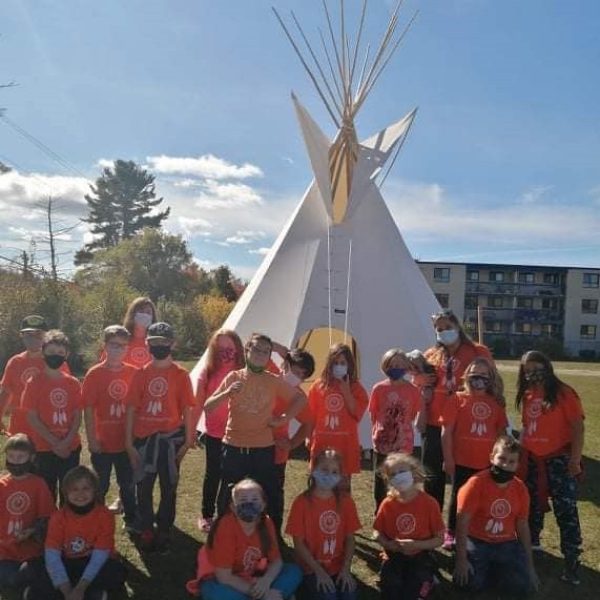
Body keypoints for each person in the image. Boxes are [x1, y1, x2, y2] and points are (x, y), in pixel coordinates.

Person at [204, 333, 306, 518]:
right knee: (229, 494)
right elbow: (208, 406)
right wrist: (226, 393)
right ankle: (225, 535)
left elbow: (300, 399)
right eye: (257, 349)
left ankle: (266, 539)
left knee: (264, 495)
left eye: (266, 352)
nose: (261, 354)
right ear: (247, 350)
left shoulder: (273, 380)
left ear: (269, 357)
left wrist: (282, 419)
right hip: (234, 446)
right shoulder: (234, 377)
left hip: (262, 449)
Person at [125, 322, 196, 553]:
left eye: (164, 343)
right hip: (144, 441)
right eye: (154, 342)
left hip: (170, 440)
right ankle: (146, 528)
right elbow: (132, 409)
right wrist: (128, 443)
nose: (159, 346)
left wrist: (187, 440)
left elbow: (187, 409)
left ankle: (164, 528)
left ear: (172, 344)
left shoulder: (180, 374)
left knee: (169, 487)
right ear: (147, 344)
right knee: (144, 487)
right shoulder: (141, 374)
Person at [516, 350, 584, 585]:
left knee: (565, 509)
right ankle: (533, 545)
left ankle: (572, 555)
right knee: (531, 504)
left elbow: (577, 428)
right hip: (533, 459)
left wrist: (575, 460)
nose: (533, 374)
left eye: (537, 368)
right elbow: (527, 427)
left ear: (548, 366)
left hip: (558, 460)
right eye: (528, 371)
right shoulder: (527, 395)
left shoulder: (564, 393)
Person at [419, 308, 493, 509]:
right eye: (439, 329)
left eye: (448, 327)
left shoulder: (478, 352)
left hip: (464, 423)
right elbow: (418, 384)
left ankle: (456, 525)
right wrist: (420, 379)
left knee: (461, 477)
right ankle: (433, 522)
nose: (444, 332)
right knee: (433, 475)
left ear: (457, 326)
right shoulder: (431, 355)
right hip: (435, 422)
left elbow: (491, 382)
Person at [24, 465, 126, 600]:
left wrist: (80, 588)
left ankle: (78, 591)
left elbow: (100, 555)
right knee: (27, 570)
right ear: (66, 493)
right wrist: (67, 591)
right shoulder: (58, 517)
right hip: (66, 560)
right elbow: (52, 554)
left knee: (117, 572)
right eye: (74, 489)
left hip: (90, 560)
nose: (80, 494)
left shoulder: (105, 515)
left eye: (86, 488)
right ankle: (82, 593)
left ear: (95, 490)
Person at [454, 435, 538, 597]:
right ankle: (489, 571)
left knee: (521, 586)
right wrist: (461, 560)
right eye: (502, 459)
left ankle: (494, 571)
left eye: (512, 462)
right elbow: (462, 523)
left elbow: (522, 526)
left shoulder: (520, 489)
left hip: (506, 542)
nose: (506, 465)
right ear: (492, 457)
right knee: (467, 583)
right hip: (477, 540)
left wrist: (530, 566)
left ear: (517, 465)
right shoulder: (474, 484)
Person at [193, 478, 302, 600]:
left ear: (263, 505)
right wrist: (261, 593)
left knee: (293, 571)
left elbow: (277, 562)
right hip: (220, 579)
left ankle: (271, 595)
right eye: (243, 500)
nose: (249, 504)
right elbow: (224, 577)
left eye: (255, 500)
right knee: (216, 593)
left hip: (252, 576)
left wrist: (266, 581)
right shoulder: (226, 526)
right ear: (233, 507)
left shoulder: (266, 523)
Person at [440, 357, 508, 549]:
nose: (479, 378)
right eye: (475, 374)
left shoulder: (495, 403)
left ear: (491, 378)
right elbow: (446, 432)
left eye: (484, 375)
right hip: (462, 460)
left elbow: (501, 434)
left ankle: (476, 531)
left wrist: (500, 460)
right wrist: (448, 458)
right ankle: (451, 531)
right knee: (459, 497)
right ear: (467, 376)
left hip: (487, 462)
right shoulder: (456, 399)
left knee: (484, 498)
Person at [83, 326, 138, 533]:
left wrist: (133, 440)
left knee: (128, 483)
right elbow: (87, 410)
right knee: (100, 484)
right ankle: (93, 517)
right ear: (105, 346)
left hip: (126, 442)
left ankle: (131, 518)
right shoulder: (94, 374)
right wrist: (92, 439)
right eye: (114, 345)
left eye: (123, 346)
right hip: (103, 442)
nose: (118, 349)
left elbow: (137, 408)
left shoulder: (133, 372)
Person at [286, 448, 361, 600]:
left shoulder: (346, 501)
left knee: (349, 595)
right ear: (313, 469)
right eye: (324, 469)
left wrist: (346, 569)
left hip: (337, 566)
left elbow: (350, 538)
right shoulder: (301, 503)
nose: (329, 475)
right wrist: (319, 572)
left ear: (340, 476)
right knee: (329, 596)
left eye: (335, 472)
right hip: (310, 568)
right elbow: (298, 544)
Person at [192, 329, 245, 532]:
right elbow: (198, 403)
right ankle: (206, 514)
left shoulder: (243, 370)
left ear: (237, 349)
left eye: (230, 349)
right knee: (212, 474)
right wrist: (193, 432)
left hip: (237, 432)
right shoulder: (208, 371)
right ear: (214, 350)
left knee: (231, 475)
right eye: (221, 349)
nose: (226, 353)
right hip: (214, 432)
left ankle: (227, 513)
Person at [373, 452, 444, 600]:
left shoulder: (429, 503)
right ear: (389, 480)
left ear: (414, 473)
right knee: (391, 591)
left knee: (413, 592)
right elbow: (377, 531)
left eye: (402, 471)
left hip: (420, 554)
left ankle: (430, 579)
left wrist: (416, 545)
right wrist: (387, 543)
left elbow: (439, 539)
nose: (399, 476)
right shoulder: (388, 504)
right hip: (394, 555)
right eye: (393, 474)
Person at [22, 330, 82, 501]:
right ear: (43, 352)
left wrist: (66, 442)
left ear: (67, 354)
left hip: (70, 448)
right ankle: (47, 526)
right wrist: (55, 443)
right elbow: (32, 417)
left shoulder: (73, 383)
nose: (55, 356)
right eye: (51, 352)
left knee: (69, 491)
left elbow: (78, 416)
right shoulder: (33, 383)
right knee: (46, 492)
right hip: (43, 448)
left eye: (60, 353)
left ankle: (67, 524)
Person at [0, 434, 55, 594]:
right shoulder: (2, 485)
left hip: (31, 551)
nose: (15, 461)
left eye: (20, 457)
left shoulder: (38, 484)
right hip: (4, 551)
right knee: (11, 577)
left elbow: (47, 517)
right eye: (11, 456)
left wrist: (31, 531)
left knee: (28, 573)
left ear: (31, 458)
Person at [368, 349, 422, 513]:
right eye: (391, 364)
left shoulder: (413, 390)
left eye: (399, 364)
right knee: (381, 482)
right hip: (382, 444)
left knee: (402, 481)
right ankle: (380, 515)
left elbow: (413, 415)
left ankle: (400, 514)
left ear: (406, 366)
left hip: (403, 445)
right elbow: (374, 414)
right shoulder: (379, 389)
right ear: (385, 366)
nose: (396, 367)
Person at [307, 344, 368, 483]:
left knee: (343, 488)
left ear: (349, 365)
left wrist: (346, 392)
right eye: (335, 362)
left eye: (342, 363)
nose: (338, 366)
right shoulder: (318, 386)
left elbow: (356, 413)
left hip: (345, 445)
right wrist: (308, 437)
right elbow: (310, 416)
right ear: (329, 364)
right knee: (319, 486)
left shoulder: (356, 388)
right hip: (322, 443)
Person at [0, 315, 69, 437]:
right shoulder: (15, 362)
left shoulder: (55, 361)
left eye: (38, 335)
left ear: (46, 338)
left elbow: (66, 395)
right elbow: (6, 392)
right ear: (22, 336)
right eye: (28, 335)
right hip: (20, 428)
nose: (33, 339)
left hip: (49, 427)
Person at [271, 347, 315, 536]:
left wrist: (291, 444)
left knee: (273, 495)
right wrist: (287, 353)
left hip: (277, 453)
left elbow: (308, 424)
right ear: (285, 365)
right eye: (294, 371)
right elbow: (254, 343)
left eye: (301, 375)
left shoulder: (298, 396)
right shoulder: (269, 377)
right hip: (252, 445)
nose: (296, 377)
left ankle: (273, 535)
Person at [118, 296, 157, 369]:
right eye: (141, 311)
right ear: (132, 314)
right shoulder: (119, 340)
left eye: (148, 312)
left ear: (152, 317)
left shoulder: (157, 343)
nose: (145, 315)